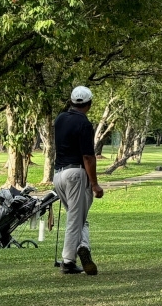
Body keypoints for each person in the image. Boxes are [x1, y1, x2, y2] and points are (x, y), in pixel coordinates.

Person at [53, 85, 104, 275]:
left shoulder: (60, 119)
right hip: (76, 174)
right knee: (75, 219)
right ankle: (68, 261)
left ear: (71, 101)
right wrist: (95, 184)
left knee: (79, 217)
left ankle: (83, 245)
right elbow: (88, 157)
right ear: (89, 103)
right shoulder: (84, 124)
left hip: (58, 174)